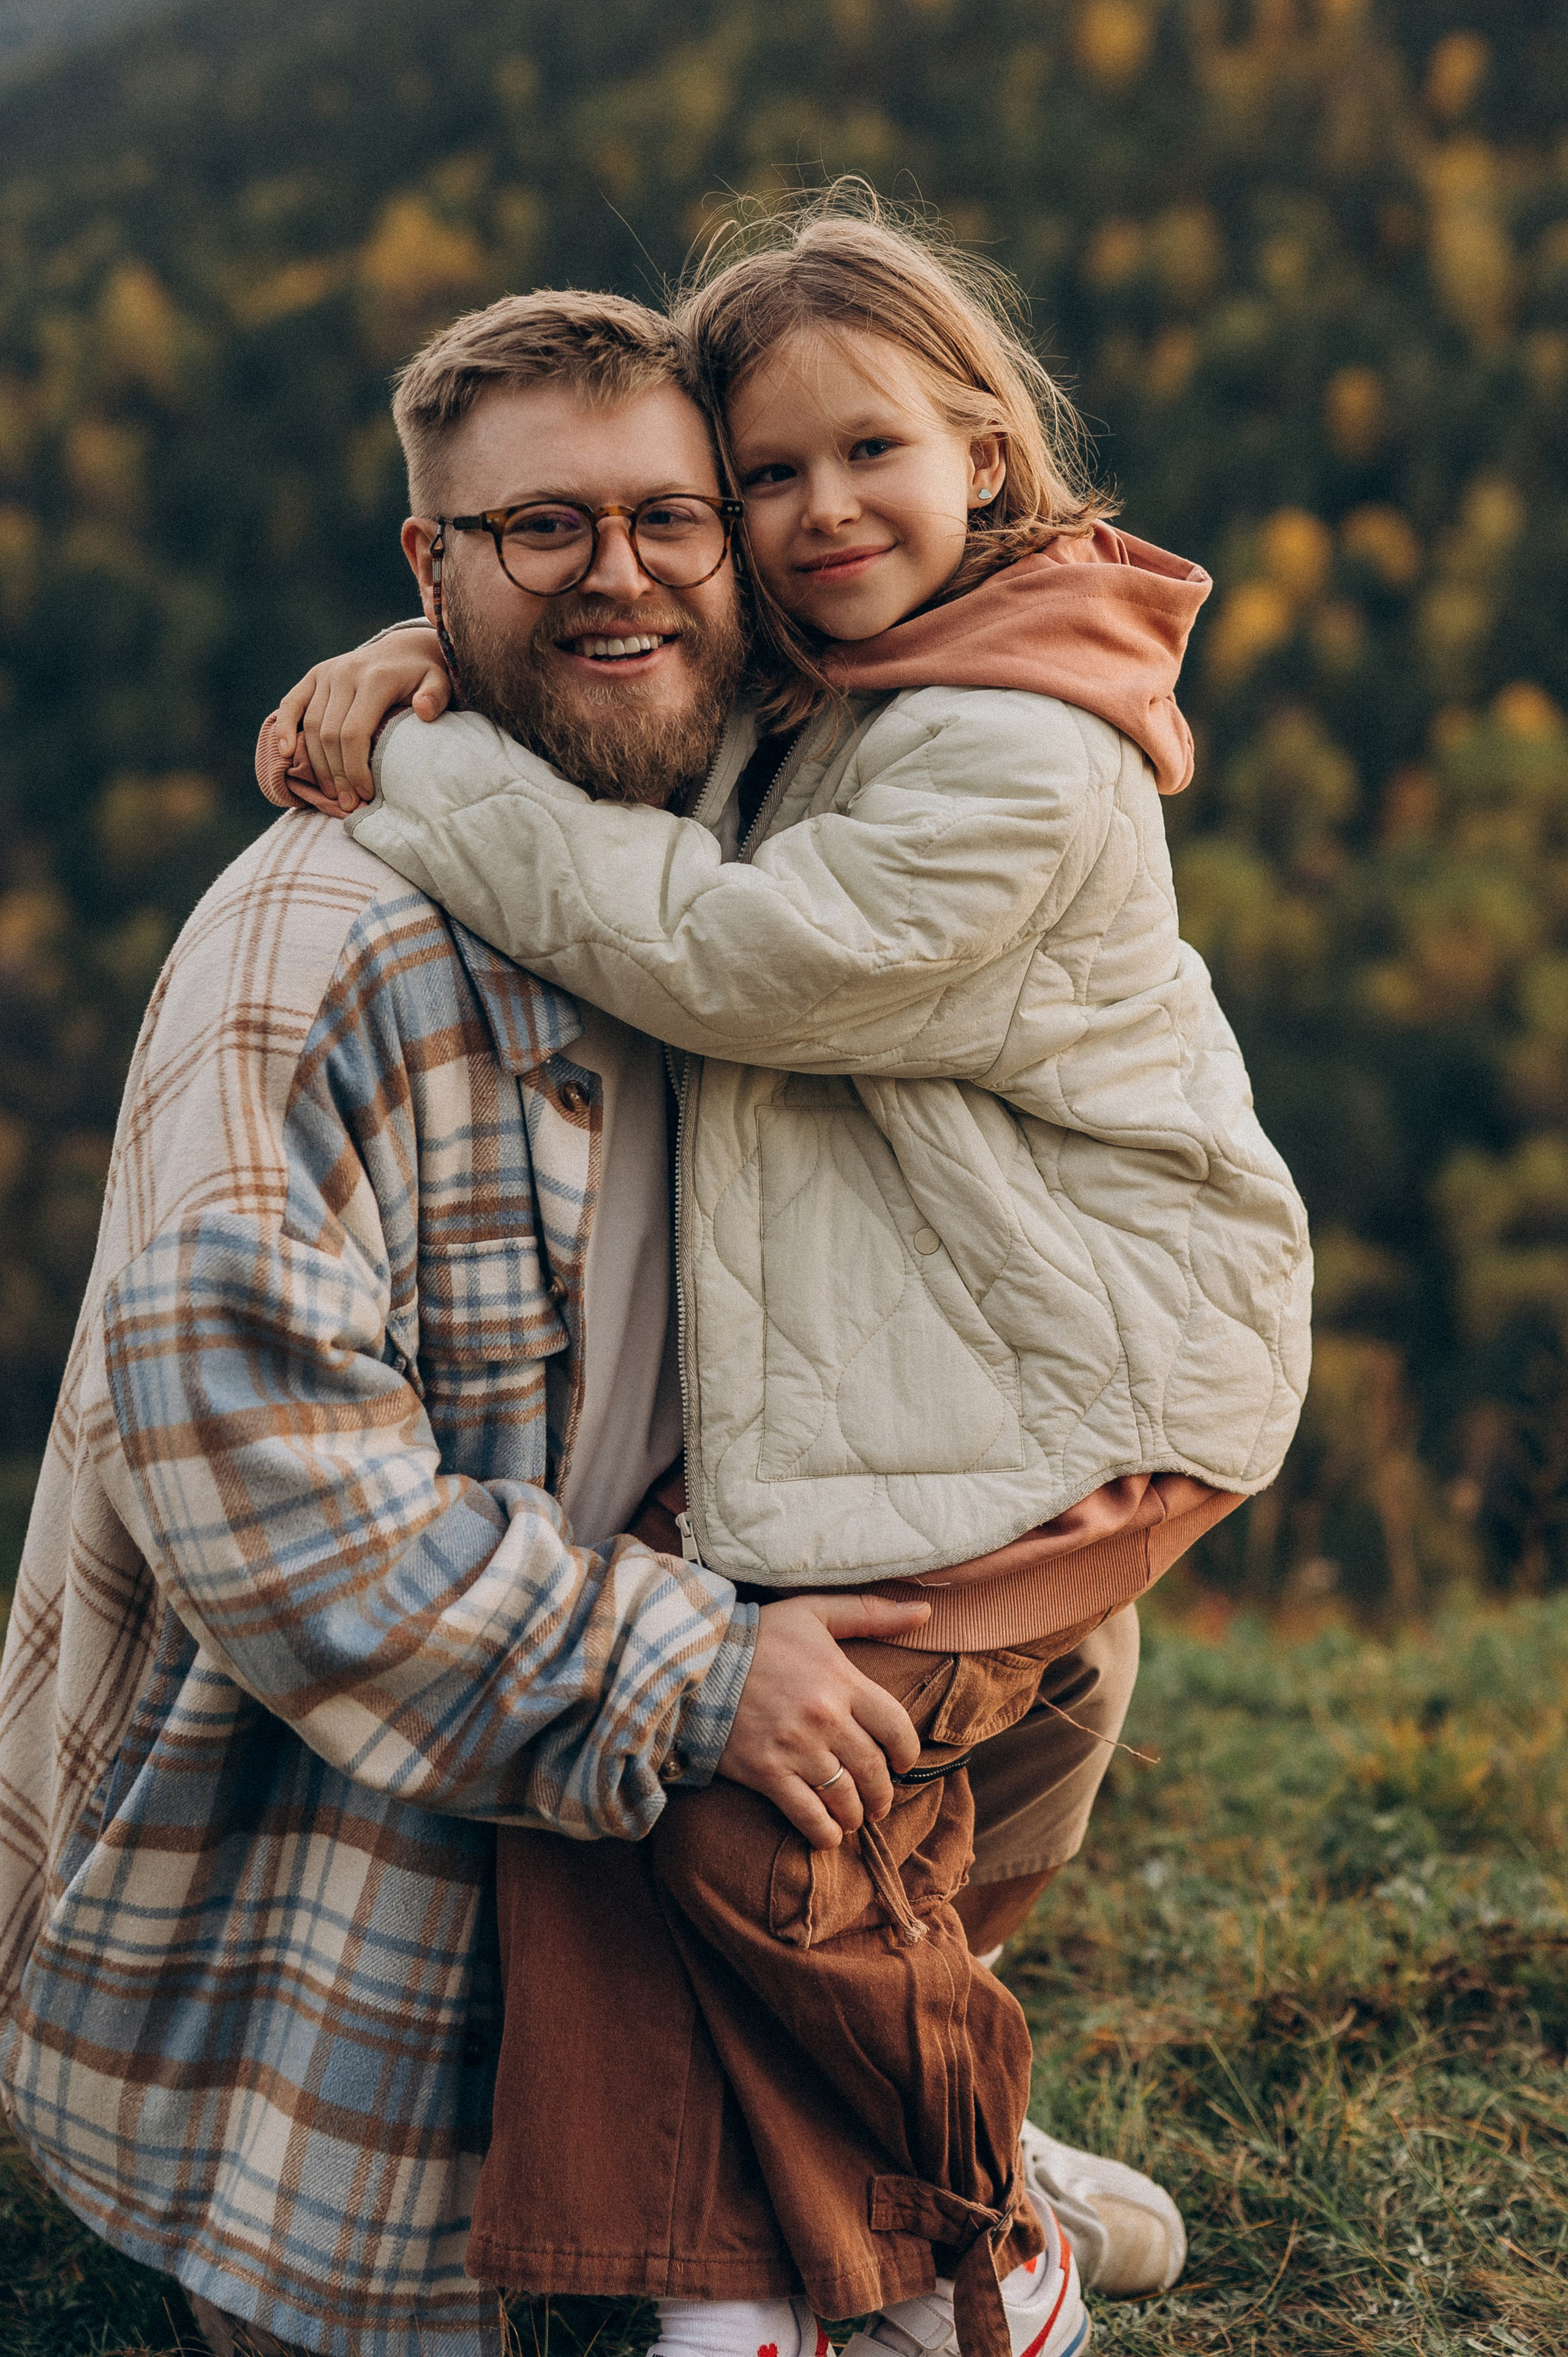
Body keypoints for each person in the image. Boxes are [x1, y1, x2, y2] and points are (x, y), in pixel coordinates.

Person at [262, 199, 1310, 2357]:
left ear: (984, 459)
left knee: (751, 1804)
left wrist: (427, 764)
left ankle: (974, 2230)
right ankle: (740, 2288)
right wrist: (423, 656)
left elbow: (731, 954)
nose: (819, 511)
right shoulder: (849, 674)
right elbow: (612, 660)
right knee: (643, 1742)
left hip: (1094, 1373)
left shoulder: (1022, 747)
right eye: (765, 476)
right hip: (954, 1343)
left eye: (872, 453)